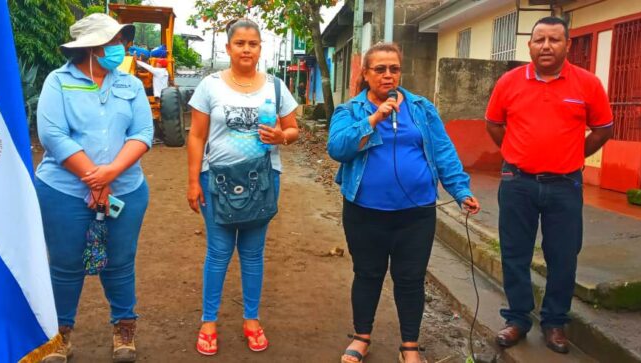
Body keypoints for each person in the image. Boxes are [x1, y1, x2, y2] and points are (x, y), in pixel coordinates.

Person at [327, 43, 481, 363]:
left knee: (410, 278)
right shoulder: (350, 111)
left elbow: (442, 152)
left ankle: (409, 345)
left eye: (393, 69)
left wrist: (461, 191)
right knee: (368, 273)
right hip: (364, 213)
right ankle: (361, 336)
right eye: (380, 69)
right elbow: (338, 149)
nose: (388, 75)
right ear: (366, 74)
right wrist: (373, 119)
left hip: (416, 214)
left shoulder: (422, 108)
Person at [485, 16, 613, 354]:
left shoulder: (587, 84)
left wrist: (571, 154)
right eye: (539, 39)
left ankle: (555, 322)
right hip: (518, 183)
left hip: (565, 185)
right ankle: (516, 319)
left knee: (564, 256)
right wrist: (516, 153)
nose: (546, 46)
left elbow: (602, 129)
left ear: (567, 45)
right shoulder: (509, 82)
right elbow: (494, 124)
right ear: (529, 45)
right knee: (514, 253)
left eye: (554, 40)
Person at [35, 13, 153, 363]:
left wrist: (110, 174)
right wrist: (94, 177)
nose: (119, 48)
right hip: (63, 192)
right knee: (65, 264)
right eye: (112, 41)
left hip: (126, 190)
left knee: (120, 262)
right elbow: (52, 135)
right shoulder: (57, 82)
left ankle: (124, 331)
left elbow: (142, 134)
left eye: (120, 40)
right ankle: (60, 336)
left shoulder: (129, 85)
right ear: (90, 48)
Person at [186, 18, 299, 356]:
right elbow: (196, 135)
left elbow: (293, 130)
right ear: (228, 47)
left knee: (252, 253)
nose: (246, 49)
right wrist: (193, 181)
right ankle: (208, 321)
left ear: (260, 48)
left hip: (263, 180)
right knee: (218, 252)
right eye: (240, 43)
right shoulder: (210, 86)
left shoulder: (276, 87)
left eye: (253, 44)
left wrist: (281, 135)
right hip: (216, 179)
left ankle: (251, 319)